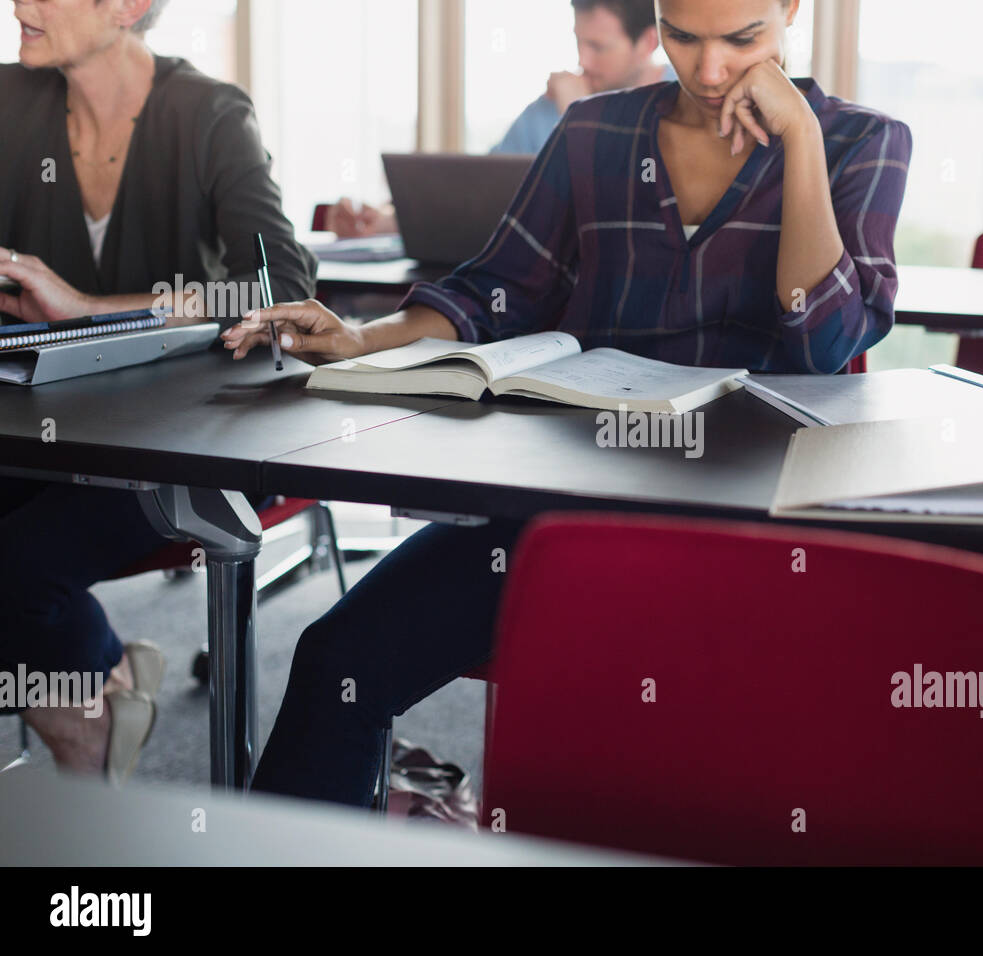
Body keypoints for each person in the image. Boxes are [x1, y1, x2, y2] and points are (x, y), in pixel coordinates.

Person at [228, 0, 911, 808]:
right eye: (686, 39)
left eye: (744, 39)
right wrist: (360, 339)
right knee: (337, 658)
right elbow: (495, 288)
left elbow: (824, 335)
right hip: (562, 513)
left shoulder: (863, 141)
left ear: (791, 10)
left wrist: (800, 140)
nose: (713, 70)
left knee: (660, 743)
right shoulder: (593, 132)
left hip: (744, 535)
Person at [0, 0, 315, 782]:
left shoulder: (207, 113)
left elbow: (283, 289)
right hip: (39, 423)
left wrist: (90, 310)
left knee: (17, 563)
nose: (18, 4)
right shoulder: (12, 102)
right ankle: (106, 674)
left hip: (177, 441)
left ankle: (89, 730)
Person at [325, 0, 673, 238]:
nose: (583, 59)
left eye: (598, 47)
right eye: (579, 42)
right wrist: (386, 221)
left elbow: (631, 212)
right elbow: (479, 199)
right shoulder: (544, 111)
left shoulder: (682, 103)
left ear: (647, 42)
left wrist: (577, 115)